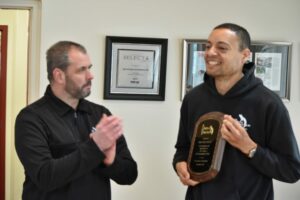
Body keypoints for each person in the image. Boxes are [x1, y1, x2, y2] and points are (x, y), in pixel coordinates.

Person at [173, 23, 300, 200]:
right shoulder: (193, 99)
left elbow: (292, 170)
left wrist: (250, 148)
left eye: (222, 48)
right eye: (208, 46)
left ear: (245, 55)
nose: (210, 53)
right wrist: (179, 164)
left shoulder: (268, 103)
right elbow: (182, 148)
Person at [15, 41, 138, 200]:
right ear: (59, 75)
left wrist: (111, 161)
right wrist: (96, 147)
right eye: (81, 70)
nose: (90, 75)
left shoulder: (100, 114)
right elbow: (44, 176)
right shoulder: (31, 118)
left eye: (89, 68)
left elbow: (130, 175)